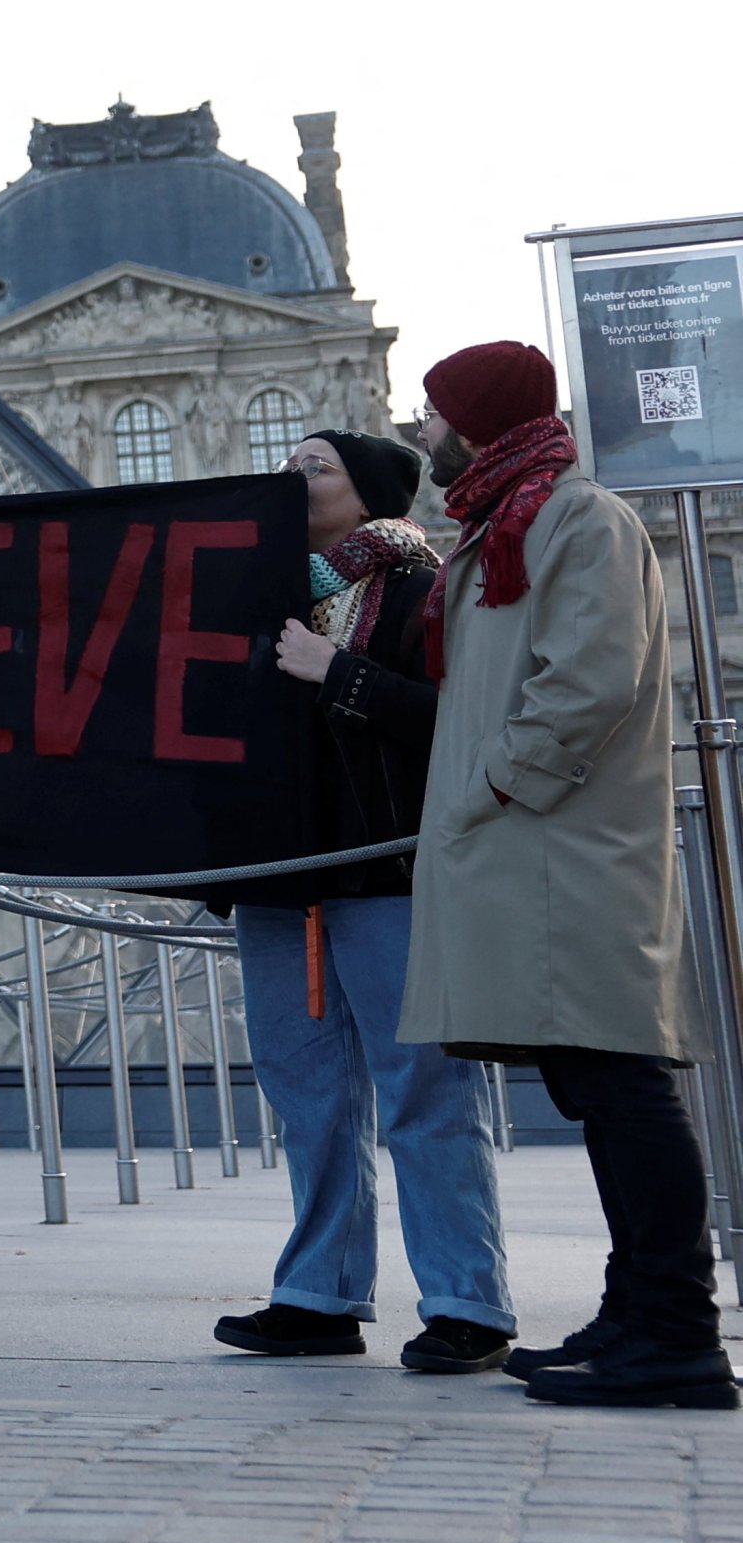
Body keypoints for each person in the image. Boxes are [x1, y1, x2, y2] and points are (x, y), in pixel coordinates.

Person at [394, 342, 722, 1409]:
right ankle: (638, 1310)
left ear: (477, 421)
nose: (424, 432)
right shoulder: (508, 520)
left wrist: (494, 786)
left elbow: (588, 677)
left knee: (625, 1085)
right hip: (538, 853)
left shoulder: (575, 519)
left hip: (566, 850)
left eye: (435, 413)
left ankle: (678, 1331)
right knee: (597, 1086)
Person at [210, 428, 509, 1370]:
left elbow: (459, 724)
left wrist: (334, 673)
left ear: (371, 490)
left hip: (389, 875)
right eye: (290, 466)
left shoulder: (426, 590)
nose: (293, 478)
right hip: (278, 886)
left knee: (422, 1092)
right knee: (307, 1100)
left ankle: (467, 1303)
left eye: (316, 468)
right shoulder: (251, 596)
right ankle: (319, 1294)